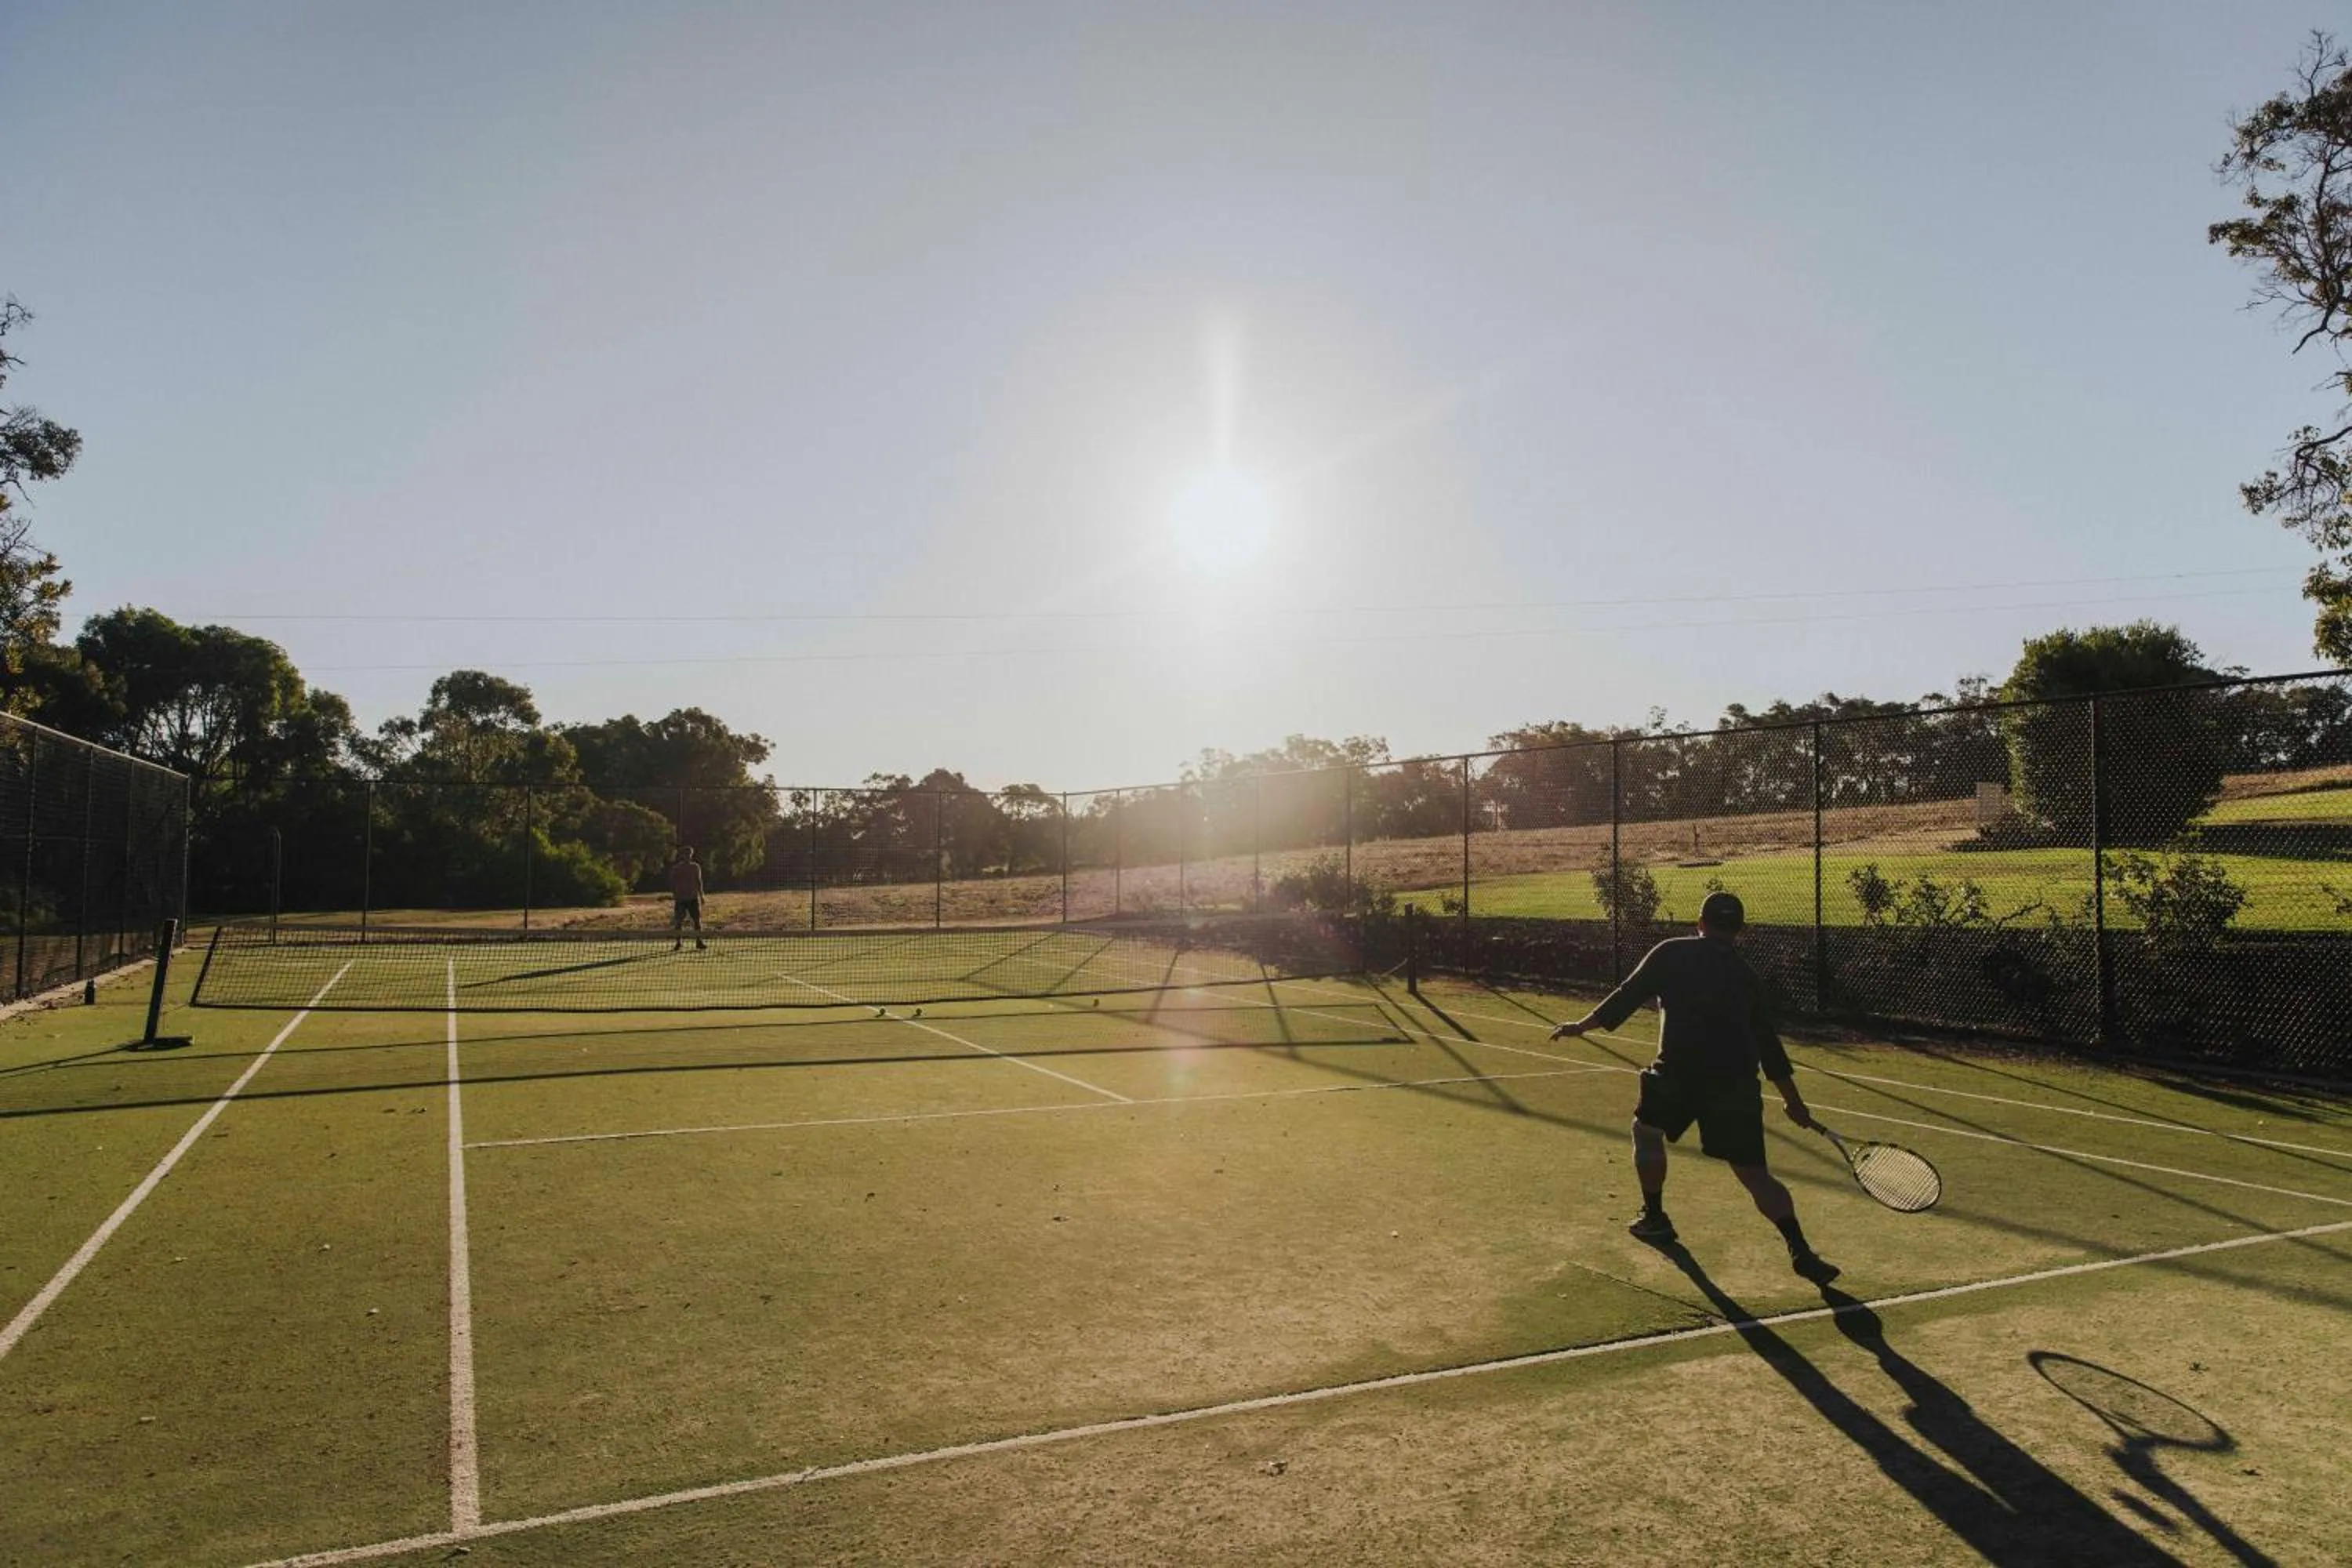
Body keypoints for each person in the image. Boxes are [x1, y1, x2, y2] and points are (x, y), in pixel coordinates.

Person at [1550, 890, 1839, 1284]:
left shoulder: (1671, 952)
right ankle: (1800, 1249)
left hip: (1677, 1075)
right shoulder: (1747, 977)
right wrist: (1793, 1103)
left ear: (1699, 924)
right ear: (1740, 930)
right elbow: (1769, 1047)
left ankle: (1655, 1218)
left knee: (1646, 1132)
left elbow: (1627, 996)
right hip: (1735, 1085)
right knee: (1756, 1175)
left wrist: (1580, 1027)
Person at [668, 845, 709, 951]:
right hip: (681, 899)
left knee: (697, 921)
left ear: (692, 855)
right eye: (686, 854)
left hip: (693, 898)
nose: (688, 856)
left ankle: (699, 941)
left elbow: (699, 881)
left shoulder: (696, 867)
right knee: (678, 921)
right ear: (682, 856)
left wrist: (702, 895)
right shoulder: (677, 868)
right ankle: (678, 942)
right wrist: (675, 894)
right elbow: (672, 882)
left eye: (689, 854)